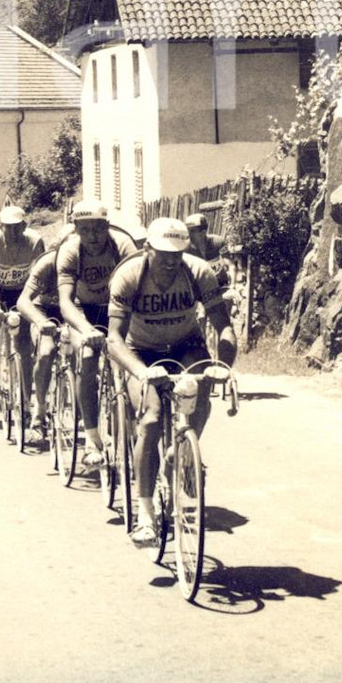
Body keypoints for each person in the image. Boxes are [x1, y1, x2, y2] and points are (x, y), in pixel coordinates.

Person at [107, 216, 236, 548]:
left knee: (200, 384)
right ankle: (146, 515)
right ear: (147, 249)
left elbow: (223, 327)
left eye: (176, 254)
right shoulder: (129, 276)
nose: (169, 261)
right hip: (141, 351)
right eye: (163, 253)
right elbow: (114, 340)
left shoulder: (198, 272)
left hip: (185, 345)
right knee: (150, 418)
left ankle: (179, 451)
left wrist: (223, 365)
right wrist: (140, 371)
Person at [57, 200, 137, 468]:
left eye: (97, 229)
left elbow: (138, 287)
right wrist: (87, 329)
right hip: (85, 309)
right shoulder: (70, 251)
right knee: (89, 355)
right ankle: (92, 438)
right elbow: (65, 302)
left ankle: (132, 416)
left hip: (119, 307)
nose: (92, 236)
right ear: (76, 229)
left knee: (132, 355)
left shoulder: (123, 245)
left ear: (107, 226)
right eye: (85, 229)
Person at [0, 205, 43, 398]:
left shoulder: (35, 241)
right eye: (7, 227)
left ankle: (26, 400)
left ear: (24, 226)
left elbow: (37, 277)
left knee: (23, 342)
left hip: (21, 290)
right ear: (0, 226)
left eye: (16, 227)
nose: (12, 232)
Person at [15, 247, 63, 442]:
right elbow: (24, 300)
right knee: (46, 352)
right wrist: (41, 323)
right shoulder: (47, 263)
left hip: (72, 309)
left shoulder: (87, 260)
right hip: (42, 309)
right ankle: (39, 410)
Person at [184, 213, 233, 289]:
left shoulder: (218, 243)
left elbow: (231, 265)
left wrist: (232, 285)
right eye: (187, 231)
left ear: (203, 232)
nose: (189, 235)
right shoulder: (186, 249)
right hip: (200, 290)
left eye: (192, 231)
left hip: (222, 286)